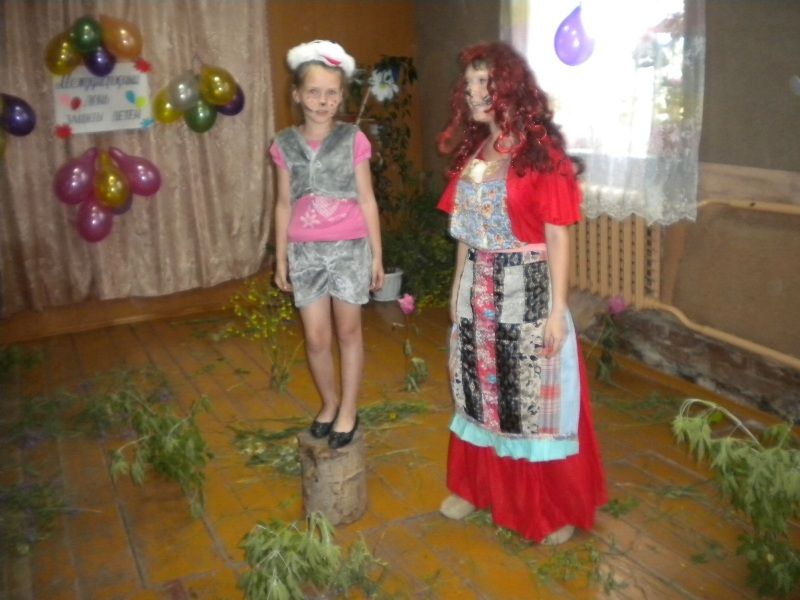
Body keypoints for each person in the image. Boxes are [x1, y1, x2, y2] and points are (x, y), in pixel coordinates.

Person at [436, 42, 607, 544]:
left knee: (528, 404)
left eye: (484, 83)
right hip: (478, 295)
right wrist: (458, 288)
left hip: (527, 295)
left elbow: (557, 235)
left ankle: (548, 507)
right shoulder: (475, 154)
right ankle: (477, 488)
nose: (473, 93)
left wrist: (557, 310)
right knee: (478, 391)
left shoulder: (541, 157)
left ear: (509, 89)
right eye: (469, 84)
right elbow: (466, 232)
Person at [270, 40, 384, 449]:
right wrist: (281, 258)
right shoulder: (284, 144)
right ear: (297, 95)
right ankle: (330, 402)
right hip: (305, 252)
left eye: (331, 93)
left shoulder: (353, 139)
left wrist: (376, 255)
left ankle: (349, 408)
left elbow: (367, 199)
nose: (323, 101)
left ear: (340, 97)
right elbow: (283, 204)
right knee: (317, 338)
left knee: (348, 331)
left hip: (350, 248)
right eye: (314, 92)